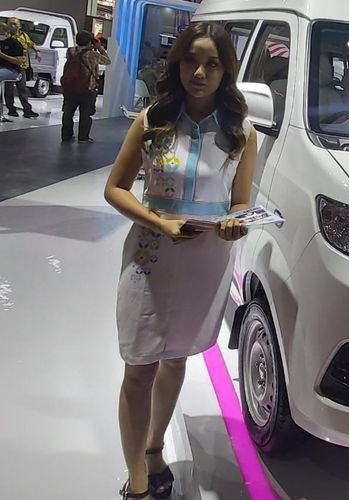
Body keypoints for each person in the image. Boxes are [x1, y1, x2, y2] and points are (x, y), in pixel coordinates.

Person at [103, 22, 256, 500]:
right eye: (191, 60)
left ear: (226, 72)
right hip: (151, 257)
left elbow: (240, 202)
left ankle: (154, 450)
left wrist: (237, 221)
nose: (200, 72)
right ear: (178, 64)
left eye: (212, 64)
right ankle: (138, 480)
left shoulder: (241, 132)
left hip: (206, 261)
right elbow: (115, 188)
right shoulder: (153, 120)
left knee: (174, 359)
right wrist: (159, 222)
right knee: (138, 367)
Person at [61, 31, 111, 142]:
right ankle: (83, 137)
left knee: (68, 113)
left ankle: (66, 135)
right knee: (85, 114)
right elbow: (107, 61)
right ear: (89, 42)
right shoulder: (92, 54)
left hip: (70, 88)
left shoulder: (70, 51)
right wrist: (100, 48)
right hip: (87, 88)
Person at [5, 17, 39, 118]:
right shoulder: (6, 36)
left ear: (19, 26)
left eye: (15, 24)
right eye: (10, 24)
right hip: (9, 66)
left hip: (21, 67)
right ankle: (11, 109)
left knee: (23, 89)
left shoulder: (24, 35)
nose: (12, 26)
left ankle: (27, 110)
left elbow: (31, 43)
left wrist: (37, 51)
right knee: (9, 90)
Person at [0, 23, 25, 103]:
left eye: (1, 33)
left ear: (7, 32)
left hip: (12, 70)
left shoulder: (15, 44)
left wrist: (2, 55)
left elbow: (19, 61)